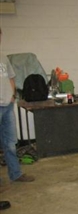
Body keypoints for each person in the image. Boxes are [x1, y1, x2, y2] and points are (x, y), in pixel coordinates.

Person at [0, 27, 35, 191]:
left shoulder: (3, 58)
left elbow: (11, 78)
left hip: (7, 106)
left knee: (10, 144)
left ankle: (16, 174)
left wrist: (12, 95)